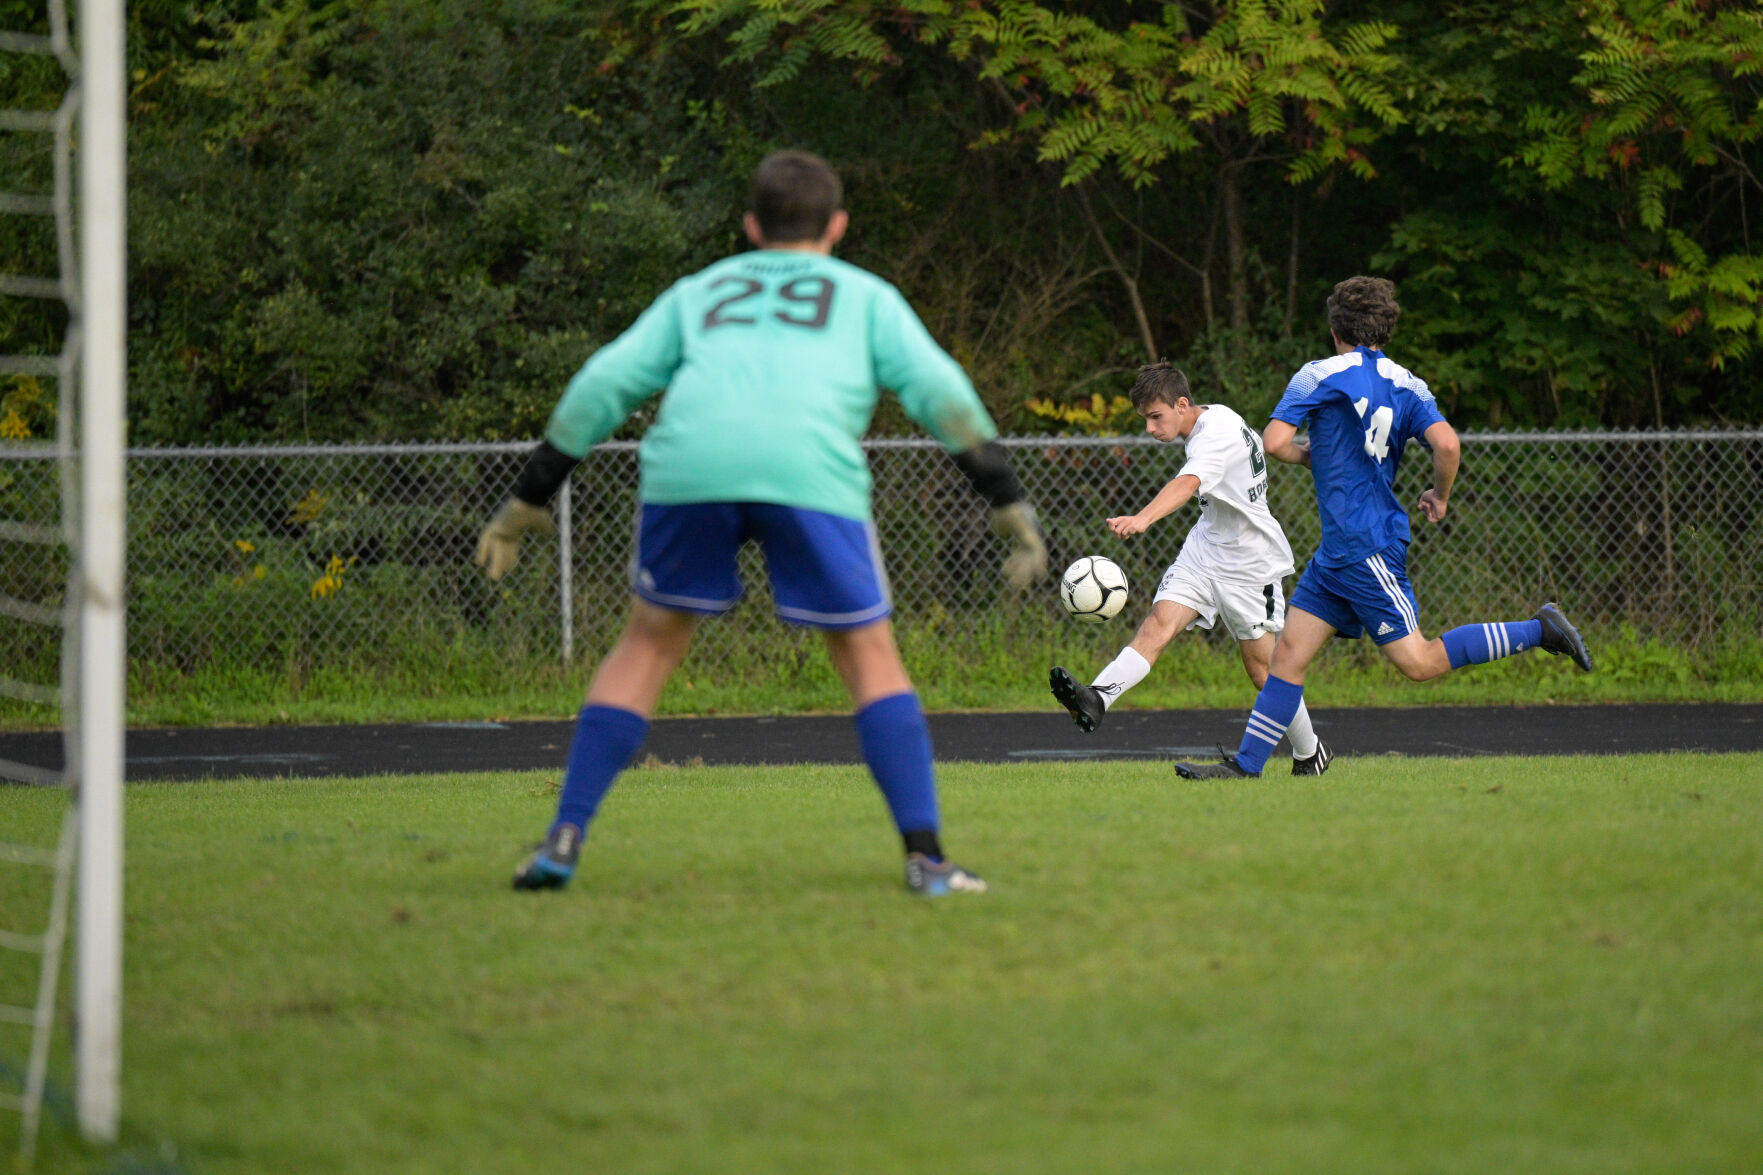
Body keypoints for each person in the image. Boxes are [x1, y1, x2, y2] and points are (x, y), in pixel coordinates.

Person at [474, 149, 1048, 895]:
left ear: (749, 227)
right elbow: (943, 395)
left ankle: (562, 838)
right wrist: (1007, 501)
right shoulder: (864, 297)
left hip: (690, 467)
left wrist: (526, 501)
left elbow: (602, 384)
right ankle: (926, 859)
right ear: (836, 226)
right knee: (868, 653)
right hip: (805, 469)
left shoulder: (698, 292)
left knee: (647, 644)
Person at [1175, 276, 1593, 780]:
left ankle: (1539, 629)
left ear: (1335, 328)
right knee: (1287, 657)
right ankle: (1248, 767)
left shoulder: (1317, 375)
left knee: (1419, 662)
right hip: (1340, 551)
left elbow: (1274, 441)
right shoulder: (1409, 383)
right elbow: (1448, 446)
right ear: (1384, 329)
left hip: (1366, 546)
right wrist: (1440, 494)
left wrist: (1316, 458)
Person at [1049, 362, 1331, 776]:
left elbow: (1188, 483)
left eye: (1155, 416)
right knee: (1158, 623)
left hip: (1250, 563)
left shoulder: (1213, 436)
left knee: (1263, 670)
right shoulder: (1213, 416)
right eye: (1145, 418)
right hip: (1205, 550)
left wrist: (1142, 518)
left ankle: (1309, 752)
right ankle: (1097, 697)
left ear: (1182, 404)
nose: (1149, 427)